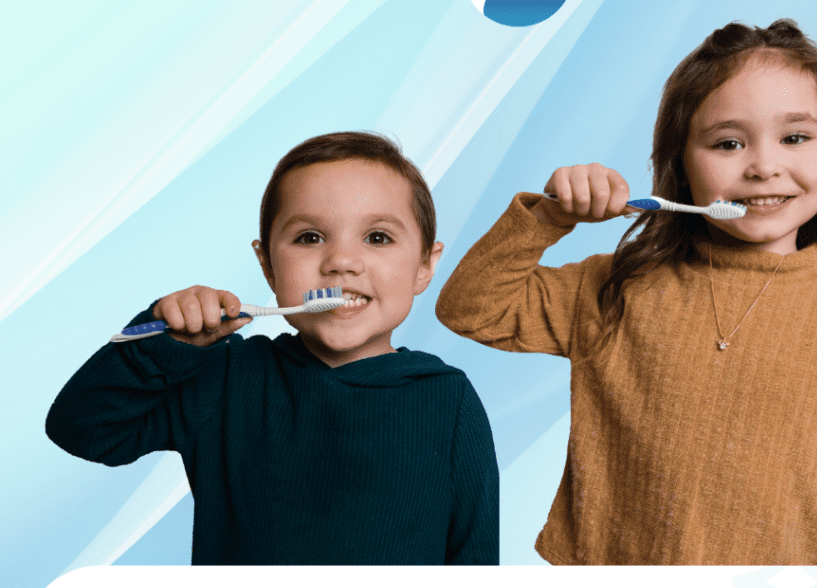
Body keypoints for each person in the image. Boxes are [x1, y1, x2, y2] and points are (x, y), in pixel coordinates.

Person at [435, 20, 817, 566]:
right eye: (728, 143)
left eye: (795, 137)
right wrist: (550, 216)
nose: (765, 166)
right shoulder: (617, 288)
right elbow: (470, 307)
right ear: (681, 163)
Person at [47, 132, 498, 565]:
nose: (341, 261)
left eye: (377, 237)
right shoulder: (224, 378)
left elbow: (474, 579)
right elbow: (81, 429)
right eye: (309, 238)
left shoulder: (449, 401)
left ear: (424, 266)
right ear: (267, 265)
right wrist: (167, 345)